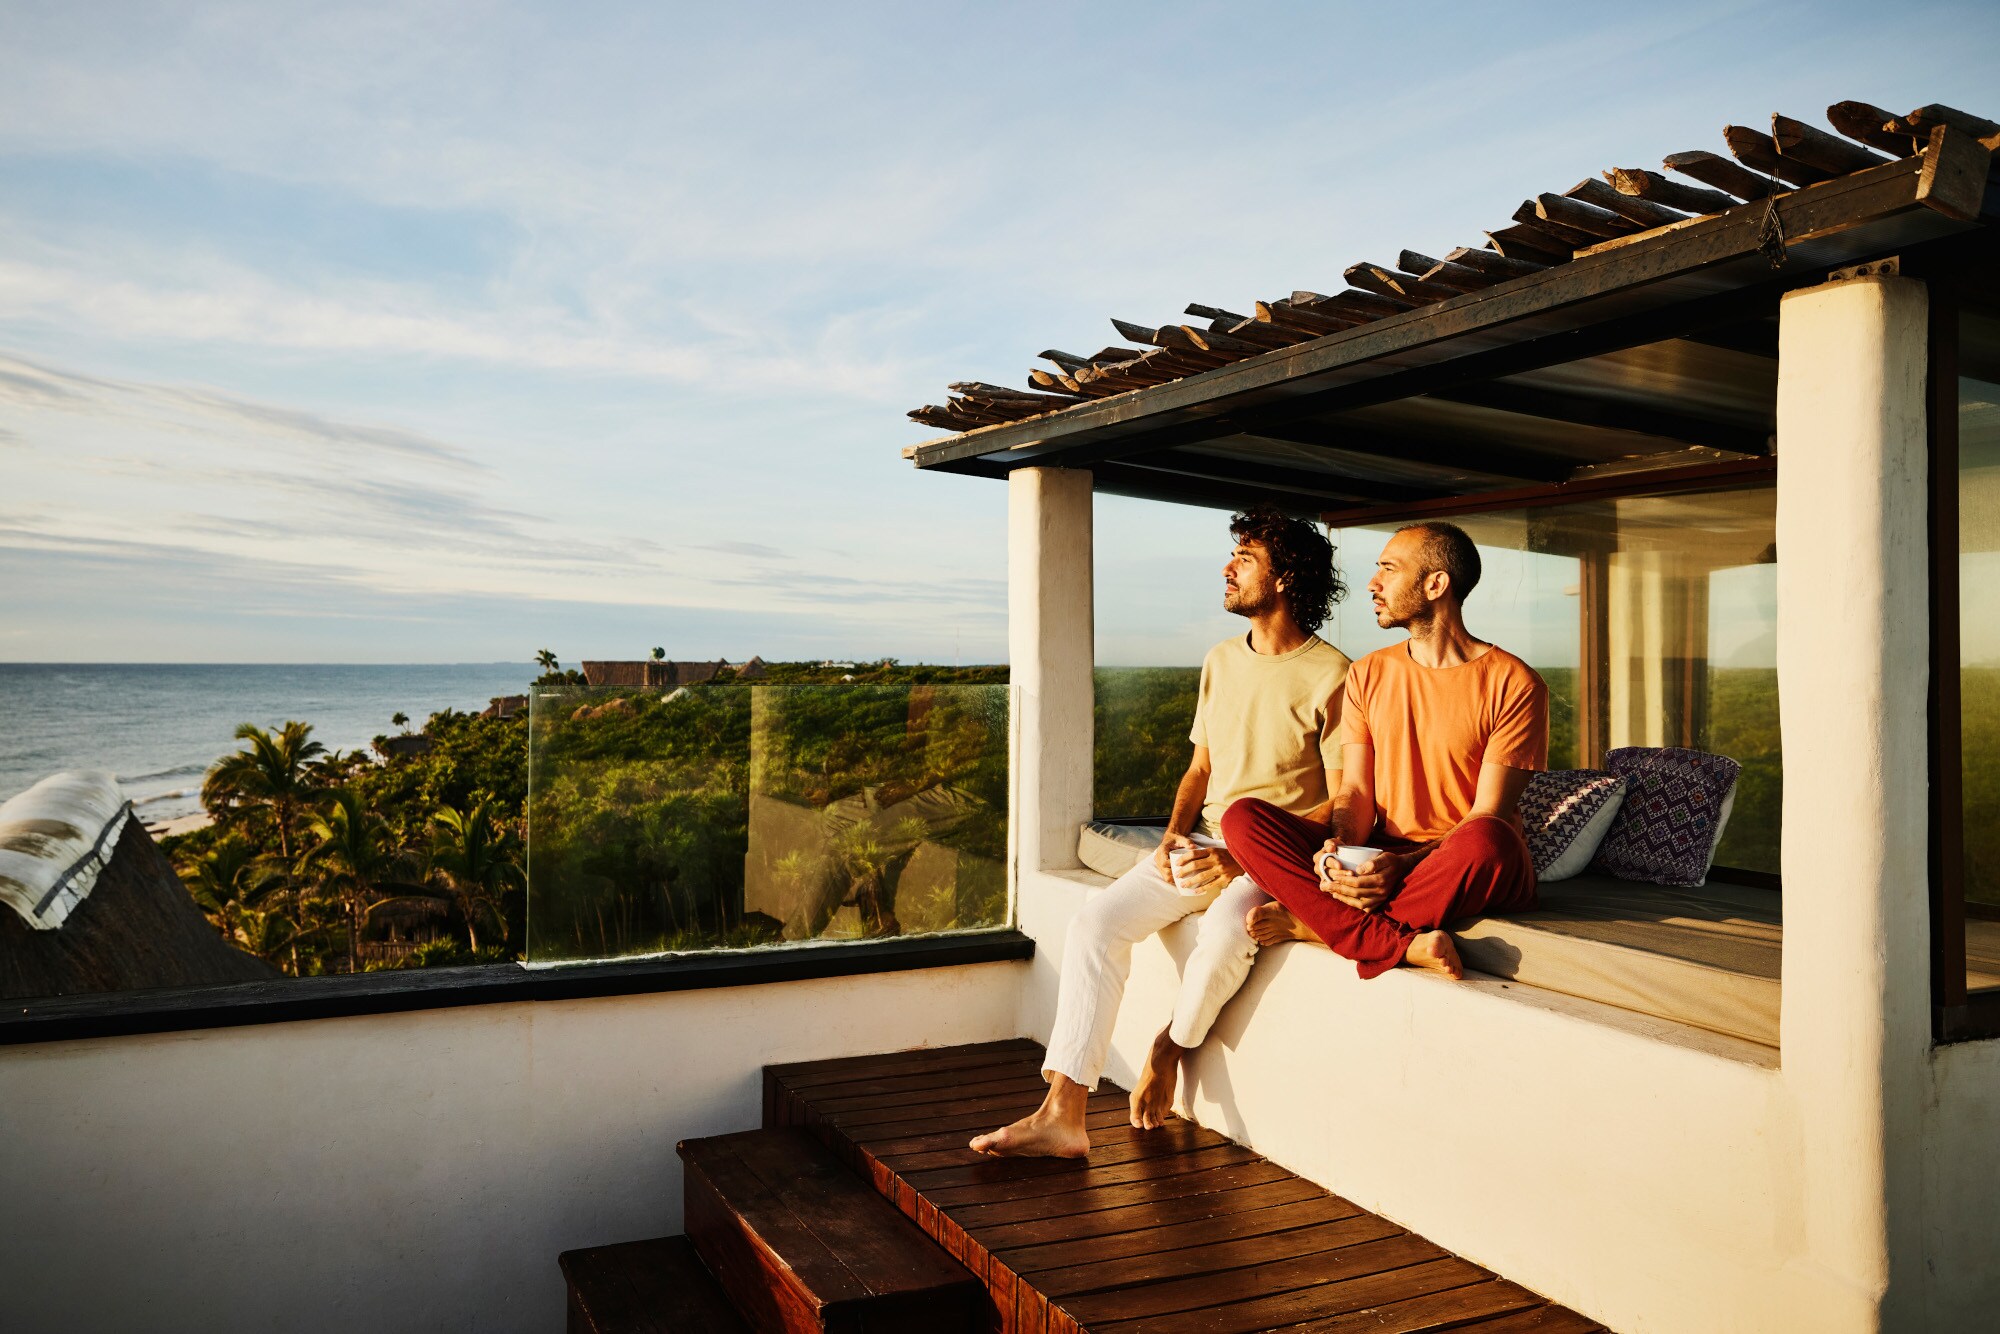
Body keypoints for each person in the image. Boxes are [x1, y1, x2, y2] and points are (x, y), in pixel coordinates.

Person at [970, 508, 1351, 1158]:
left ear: (1286, 577)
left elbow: (1343, 805)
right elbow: (1200, 767)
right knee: (1095, 925)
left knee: (1228, 936)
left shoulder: (1334, 674)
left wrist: (1238, 859)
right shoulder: (1221, 660)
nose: (1228, 569)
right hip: (1200, 847)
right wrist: (1174, 837)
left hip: (1269, 860)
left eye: (1246, 559)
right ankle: (1063, 1113)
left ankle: (1166, 1046)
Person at [1223, 521, 1545, 981]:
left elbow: (1487, 813)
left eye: (1389, 570)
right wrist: (1339, 846)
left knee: (1491, 839)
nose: (1373, 583)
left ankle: (1319, 926)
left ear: (1436, 584)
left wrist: (1402, 865)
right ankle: (1382, 938)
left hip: (1456, 860)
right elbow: (1354, 790)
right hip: (1380, 851)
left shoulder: (1514, 682)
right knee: (1243, 818)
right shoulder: (1368, 673)